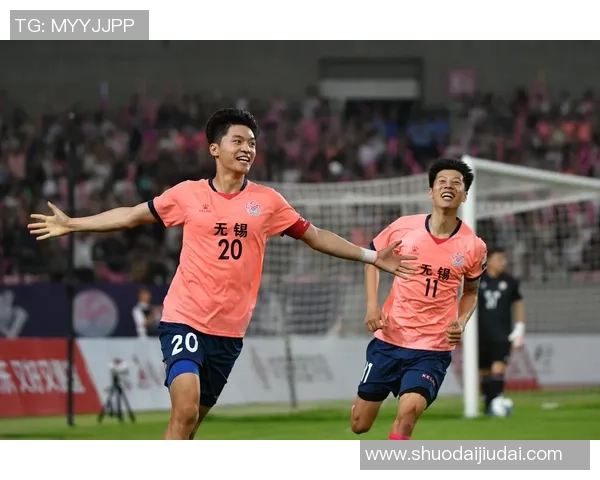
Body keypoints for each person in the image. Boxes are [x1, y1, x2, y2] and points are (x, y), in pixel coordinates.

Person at [27, 108, 419, 440]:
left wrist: (371, 257)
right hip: (184, 319)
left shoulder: (268, 202)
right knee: (183, 412)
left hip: (229, 333)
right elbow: (131, 215)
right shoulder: (187, 194)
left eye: (252, 142)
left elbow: (315, 236)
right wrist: (73, 224)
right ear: (215, 148)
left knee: (190, 426)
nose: (247, 148)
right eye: (238, 141)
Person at [350, 157, 488, 440]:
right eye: (442, 181)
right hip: (390, 340)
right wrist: (372, 307)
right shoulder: (404, 228)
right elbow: (372, 261)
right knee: (359, 424)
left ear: (464, 195)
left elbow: (471, 292)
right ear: (430, 191)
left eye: (456, 183)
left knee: (409, 412)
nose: (448, 186)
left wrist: (461, 322)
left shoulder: (474, 246)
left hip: (432, 348)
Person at [477, 247, 525, 415]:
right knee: (484, 371)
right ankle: (489, 402)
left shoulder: (510, 282)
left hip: (502, 333)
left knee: (498, 367)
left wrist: (520, 327)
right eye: (499, 259)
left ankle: (497, 400)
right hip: (480, 333)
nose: (503, 262)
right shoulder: (477, 279)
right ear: (489, 261)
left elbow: (518, 303)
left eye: (504, 259)